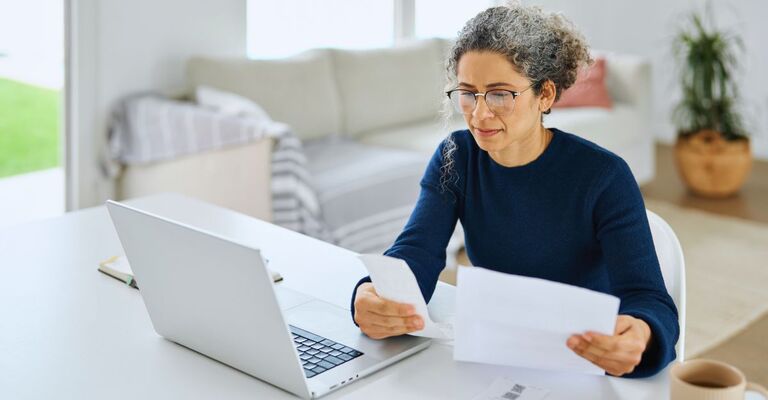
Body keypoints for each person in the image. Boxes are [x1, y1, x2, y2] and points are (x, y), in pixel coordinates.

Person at [349, 2, 679, 378]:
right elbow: (415, 253)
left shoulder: (604, 177)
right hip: (499, 352)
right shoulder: (457, 157)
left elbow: (649, 300)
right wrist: (371, 295)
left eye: (500, 94)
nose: (479, 114)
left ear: (546, 95)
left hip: (586, 362)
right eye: (468, 93)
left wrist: (642, 334)